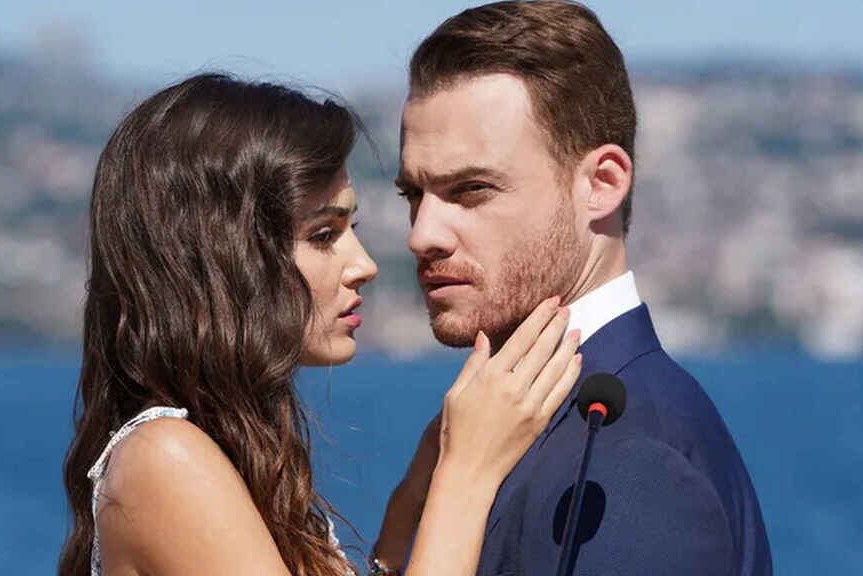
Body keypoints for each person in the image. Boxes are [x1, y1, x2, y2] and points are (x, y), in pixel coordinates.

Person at [58, 73, 584, 576]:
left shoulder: (231, 453)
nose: (365, 265)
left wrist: (406, 512)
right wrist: (467, 472)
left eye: (350, 228)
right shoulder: (165, 457)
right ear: (226, 257)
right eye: (323, 235)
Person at [375, 1, 773, 575]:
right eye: (414, 194)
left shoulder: (632, 461)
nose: (421, 235)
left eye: (472, 189)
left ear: (602, 184)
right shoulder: (504, 434)